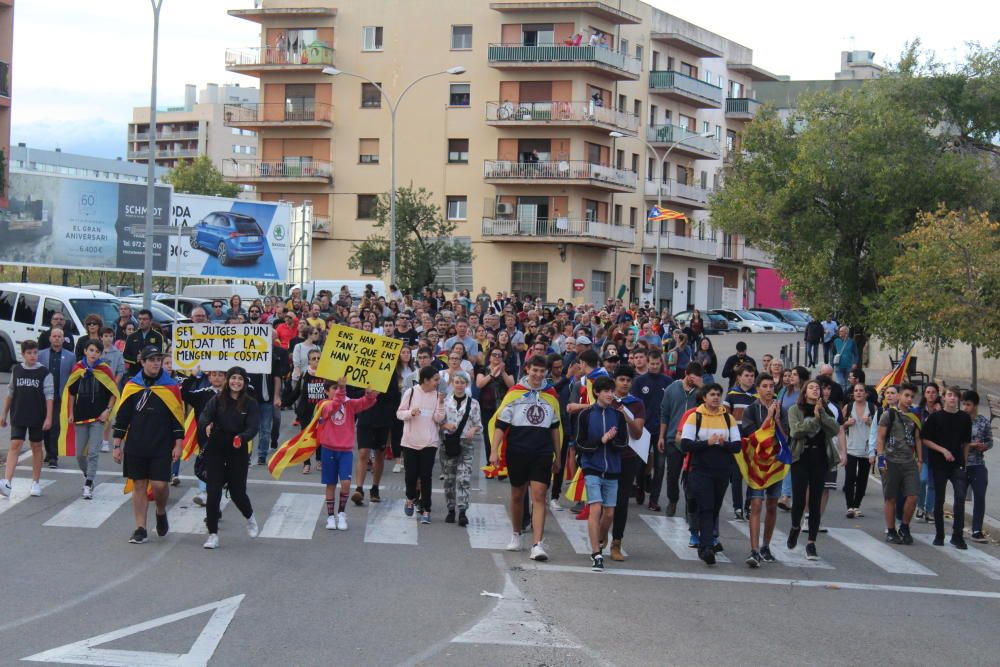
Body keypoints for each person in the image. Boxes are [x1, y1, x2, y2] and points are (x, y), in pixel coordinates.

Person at [491, 355, 561, 561]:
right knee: (517, 495)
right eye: (535, 370)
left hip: (542, 451)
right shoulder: (514, 394)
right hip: (517, 450)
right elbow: (501, 424)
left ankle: (537, 544)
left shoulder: (551, 394)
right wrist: (494, 450)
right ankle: (516, 533)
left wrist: (558, 455)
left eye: (542, 371)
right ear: (527, 369)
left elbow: (556, 428)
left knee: (539, 495)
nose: (538, 375)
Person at [112, 346, 185, 544]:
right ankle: (140, 527)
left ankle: (161, 512)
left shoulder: (170, 386)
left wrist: (178, 444)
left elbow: (177, 419)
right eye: (151, 359)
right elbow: (122, 417)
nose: (155, 363)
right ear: (142, 362)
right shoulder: (132, 386)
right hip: (136, 444)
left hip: (161, 444)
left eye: (158, 359)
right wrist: (117, 445)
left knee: (160, 486)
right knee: (139, 485)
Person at [197, 367, 261, 549]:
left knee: (237, 492)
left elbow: (253, 427)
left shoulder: (250, 403)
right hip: (216, 448)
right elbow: (204, 417)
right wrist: (207, 425)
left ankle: (250, 518)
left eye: (240, 379)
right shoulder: (217, 400)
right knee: (213, 491)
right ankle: (212, 534)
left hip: (237, 447)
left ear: (244, 382)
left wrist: (242, 437)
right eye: (233, 378)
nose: (236, 382)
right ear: (228, 380)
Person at [680, 383, 742, 565]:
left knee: (714, 508)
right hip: (701, 470)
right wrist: (707, 443)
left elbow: (737, 446)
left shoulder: (728, 418)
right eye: (712, 394)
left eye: (718, 394)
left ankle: (705, 539)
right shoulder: (695, 417)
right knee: (706, 506)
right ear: (704, 397)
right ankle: (706, 548)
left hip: (722, 470)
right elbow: (686, 445)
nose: (716, 397)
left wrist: (723, 444)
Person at [576, 375, 628, 572]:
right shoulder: (586, 415)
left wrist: (612, 441)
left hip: (613, 468)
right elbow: (580, 443)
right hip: (592, 467)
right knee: (595, 509)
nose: (609, 394)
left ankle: (600, 537)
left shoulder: (618, 415)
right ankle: (596, 553)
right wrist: (601, 440)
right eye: (606, 391)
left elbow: (624, 443)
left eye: (611, 391)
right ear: (596, 392)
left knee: (609, 513)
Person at [786, 379, 841, 560]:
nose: (815, 390)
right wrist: (815, 421)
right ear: (804, 392)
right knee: (800, 499)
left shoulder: (825, 410)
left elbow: (835, 429)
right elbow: (795, 431)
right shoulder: (795, 410)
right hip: (801, 458)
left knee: (816, 501)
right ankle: (795, 526)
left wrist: (822, 415)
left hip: (820, 458)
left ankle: (811, 542)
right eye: (811, 387)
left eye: (818, 388)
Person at [317, 378, 378, 531]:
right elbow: (334, 406)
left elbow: (365, 403)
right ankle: (330, 516)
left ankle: (341, 513)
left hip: (345, 450)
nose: (337, 391)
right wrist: (342, 390)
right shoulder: (323, 405)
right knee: (330, 484)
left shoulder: (349, 404)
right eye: (334, 388)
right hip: (328, 449)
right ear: (326, 391)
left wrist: (370, 394)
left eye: (339, 388)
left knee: (345, 483)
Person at [63, 339, 119, 499]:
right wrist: (71, 412)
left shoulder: (104, 370)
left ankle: (88, 484)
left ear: (100, 354)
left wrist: (107, 411)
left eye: (97, 351)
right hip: (80, 416)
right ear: (85, 351)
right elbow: (71, 392)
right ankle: (88, 475)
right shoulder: (78, 369)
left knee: (94, 452)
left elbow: (113, 392)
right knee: (80, 454)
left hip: (98, 417)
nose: (94, 354)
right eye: (91, 350)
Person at [740, 373, 784, 566]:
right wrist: (768, 418)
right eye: (765, 386)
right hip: (757, 465)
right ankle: (754, 550)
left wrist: (779, 419)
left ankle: (766, 546)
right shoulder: (751, 409)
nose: (769, 390)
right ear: (757, 389)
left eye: (771, 386)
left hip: (775, 464)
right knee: (756, 504)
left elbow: (787, 436)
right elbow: (750, 435)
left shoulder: (782, 408)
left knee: (772, 505)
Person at [0, 340, 53, 498]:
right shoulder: (17, 370)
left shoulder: (44, 372)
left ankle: (35, 482)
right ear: (23, 354)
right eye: (29, 353)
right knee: (15, 444)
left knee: (36, 446)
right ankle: (7, 482)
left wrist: (49, 417)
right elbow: (10, 393)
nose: (32, 356)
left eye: (35, 353)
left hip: (37, 415)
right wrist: (4, 414)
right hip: (19, 414)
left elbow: (49, 396)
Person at [922, 386, 971, 549]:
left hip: (957, 464)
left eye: (955, 396)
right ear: (943, 398)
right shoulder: (935, 417)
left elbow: (966, 442)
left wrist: (964, 463)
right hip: (939, 464)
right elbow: (925, 439)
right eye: (949, 395)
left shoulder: (964, 418)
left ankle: (957, 536)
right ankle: (939, 534)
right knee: (939, 499)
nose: (952, 398)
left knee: (959, 498)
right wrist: (943, 450)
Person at [397, 366, 446, 524]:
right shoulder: (410, 392)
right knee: (411, 475)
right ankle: (410, 498)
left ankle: (426, 509)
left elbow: (439, 418)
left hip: (429, 442)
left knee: (426, 476)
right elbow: (399, 413)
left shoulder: (437, 395)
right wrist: (410, 413)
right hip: (410, 441)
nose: (437, 383)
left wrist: (441, 402)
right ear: (425, 380)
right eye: (435, 380)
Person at [655, 362, 704, 516]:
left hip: (693, 441)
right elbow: (665, 414)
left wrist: (701, 387)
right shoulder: (671, 389)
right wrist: (661, 436)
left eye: (696, 378)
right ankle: (673, 500)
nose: (693, 381)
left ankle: (691, 504)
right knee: (672, 474)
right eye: (691, 378)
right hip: (673, 438)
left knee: (691, 476)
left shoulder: (701, 393)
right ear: (686, 374)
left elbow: (711, 406)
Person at [875, 383, 921, 546]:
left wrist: (920, 459)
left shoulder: (914, 417)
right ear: (900, 396)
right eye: (906, 395)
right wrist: (880, 457)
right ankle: (891, 530)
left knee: (913, 495)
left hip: (909, 462)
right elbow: (880, 437)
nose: (909, 399)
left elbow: (917, 439)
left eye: (912, 397)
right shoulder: (889, 415)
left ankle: (905, 526)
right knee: (891, 497)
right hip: (891, 460)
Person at [607, 365, 645, 562]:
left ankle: (616, 543)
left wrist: (625, 414)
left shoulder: (636, 403)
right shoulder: (606, 399)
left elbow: (637, 432)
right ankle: (598, 539)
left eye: (628, 380)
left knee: (621, 502)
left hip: (627, 458)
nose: (625, 383)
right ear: (614, 381)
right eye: (621, 379)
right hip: (606, 456)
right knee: (604, 502)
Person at [352, 360, 402, 505]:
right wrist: (366, 392)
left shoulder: (389, 371)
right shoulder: (362, 369)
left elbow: (394, 395)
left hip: (383, 418)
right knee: (363, 452)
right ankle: (359, 489)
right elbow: (354, 392)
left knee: (379, 454)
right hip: (365, 417)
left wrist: (380, 393)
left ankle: (375, 488)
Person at [631, 349, 672, 509]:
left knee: (660, 466)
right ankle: (640, 487)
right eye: (652, 364)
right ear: (647, 363)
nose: (654, 366)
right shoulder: (639, 382)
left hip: (661, 430)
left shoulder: (668, 382)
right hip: (644, 429)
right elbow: (634, 405)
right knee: (640, 465)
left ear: (661, 363)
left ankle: (654, 499)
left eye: (657, 363)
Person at [441, 371, 482, 526]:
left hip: (466, 444)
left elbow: (479, 424)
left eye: (462, 382)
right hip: (448, 444)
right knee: (449, 479)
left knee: (463, 479)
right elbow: (437, 420)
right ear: (452, 384)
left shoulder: (474, 404)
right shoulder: (445, 402)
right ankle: (451, 509)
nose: (459, 385)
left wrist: (474, 430)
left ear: (466, 385)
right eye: (456, 382)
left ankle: (462, 511)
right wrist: (445, 425)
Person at [724, 364, 758, 520]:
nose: (750, 378)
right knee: (736, 476)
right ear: (739, 377)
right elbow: (725, 417)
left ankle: (749, 505)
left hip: (754, 442)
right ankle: (737, 506)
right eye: (746, 375)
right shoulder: (731, 395)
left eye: (752, 376)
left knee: (752, 476)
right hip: (737, 441)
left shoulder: (758, 395)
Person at [38, 328, 75, 469]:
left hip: (60, 396)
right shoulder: (41, 355)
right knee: (45, 427)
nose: (57, 339)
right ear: (50, 338)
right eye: (54, 336)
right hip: (43, 397)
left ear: (63, 338)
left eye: (60, 336)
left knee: (55, 427)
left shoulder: (70, 356)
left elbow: (72, 378)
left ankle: (54, 456)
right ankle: (48, 452)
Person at [289, 348, 327, 474]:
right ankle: (306, 463)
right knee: (306, 438)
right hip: (306, 412)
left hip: (321, 412)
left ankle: (319, 460)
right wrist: (283, 402)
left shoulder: (326, 374)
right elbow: (296, 393)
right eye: (313, 359)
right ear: (309, 361)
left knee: (320, 437)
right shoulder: (305, 375)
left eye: (318, 358)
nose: (316, 361)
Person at [961, 390, 992, 543]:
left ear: (975, 406)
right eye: (964, 404)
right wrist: (970, 445)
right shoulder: (958, 420)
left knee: (979, 497)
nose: (966, 407)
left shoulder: (983, 421)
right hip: (962, 464)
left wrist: (984, 446)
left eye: (969, 405)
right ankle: (957, 526)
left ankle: (977, 529)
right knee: (960, 497)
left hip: (978, 464)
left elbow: (990, 440)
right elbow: (955, 442)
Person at [843, 382, 875, 519]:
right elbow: (839, 427)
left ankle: (857, 506)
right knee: (850, 478)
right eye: (856, 391)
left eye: (861, 390)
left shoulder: (873, 408)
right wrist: (846, 423)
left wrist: (869, 422)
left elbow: (879, 428)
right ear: (853, 394)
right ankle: (849, 506)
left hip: (866, 449)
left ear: (866, 394)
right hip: (851, 448)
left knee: (862, 479)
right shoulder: (848, 407)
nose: (858, 393)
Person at [122, 309, 165, 378]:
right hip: (134, 374)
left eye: (144, 319)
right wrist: (136, 358)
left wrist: (145, 357)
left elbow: (160, 354)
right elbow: (125, 355)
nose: (141, 322)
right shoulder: (131, 336)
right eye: (140, 319)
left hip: (152, 374)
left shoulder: (158, 336)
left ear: (150, 321)